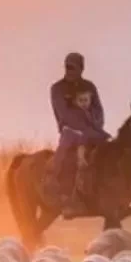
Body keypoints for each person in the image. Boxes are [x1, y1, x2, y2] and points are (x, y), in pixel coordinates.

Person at [44, 52, 108, 217]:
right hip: (70, 132)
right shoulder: (57, 88)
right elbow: (65, 114)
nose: (70, 70)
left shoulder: (90, 86)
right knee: (66, 159)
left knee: (110, 153)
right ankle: (61, 193)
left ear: (81, 68)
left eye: (73, 67)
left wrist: (96, 127)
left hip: (92, 131)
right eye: (67, 66)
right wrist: (86, 130)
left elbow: (98, 110)